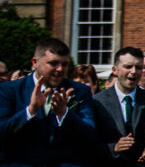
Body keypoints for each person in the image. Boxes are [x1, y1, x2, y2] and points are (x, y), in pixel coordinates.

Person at [0, 36, 96, 166]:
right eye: (53, 63)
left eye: (64, 64)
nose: (60, 69)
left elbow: (90, 135)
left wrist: (65, 114)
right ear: (35, 62)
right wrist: (30, 110)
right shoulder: (9, 90)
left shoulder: (80, 91)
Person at [93, 46, 145, 165]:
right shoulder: (97, 101)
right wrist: (114, 148)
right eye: (128, 67)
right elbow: (89, 143)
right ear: (114, 70)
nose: (133, 72)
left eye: (138, 67)